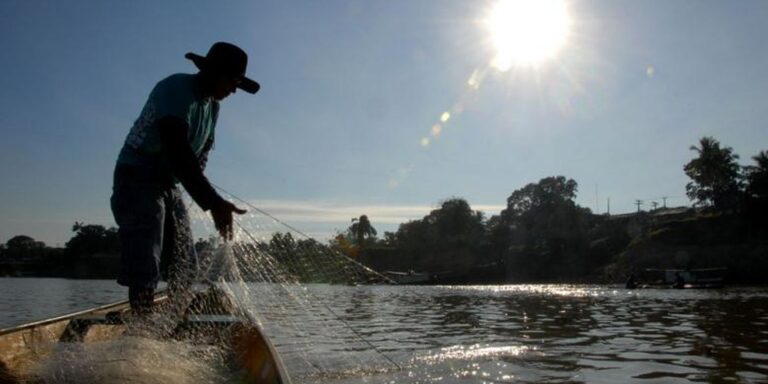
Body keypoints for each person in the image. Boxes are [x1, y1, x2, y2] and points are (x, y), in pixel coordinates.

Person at [111, 42, 259, 314]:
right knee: (146, 259)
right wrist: (213, 202)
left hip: (168, 184)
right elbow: (177, 150)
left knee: (185, 265)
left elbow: (196, 160)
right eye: (232, 81)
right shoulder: (177, 89)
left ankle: (172, 321)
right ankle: (141, 331)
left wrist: (211, 201)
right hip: (137, 177)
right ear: (213, 73)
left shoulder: (212, 107)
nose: (234, 90)